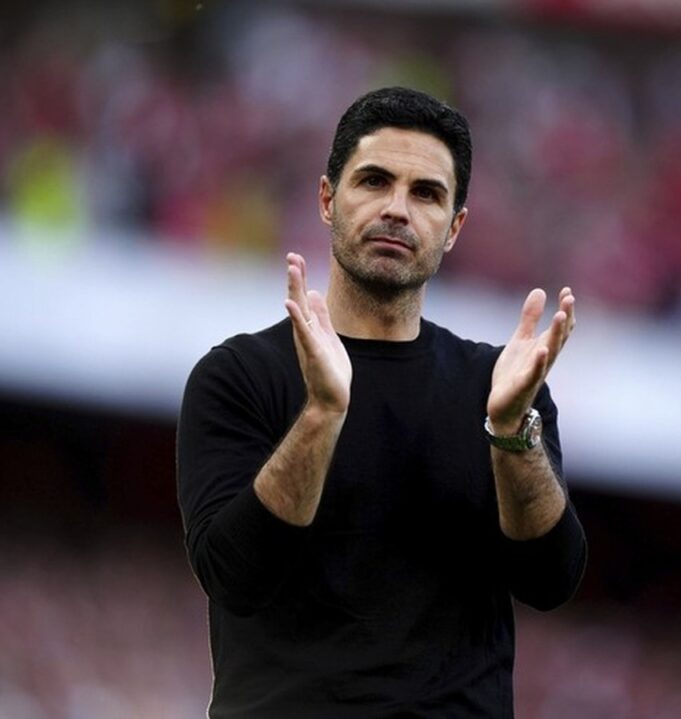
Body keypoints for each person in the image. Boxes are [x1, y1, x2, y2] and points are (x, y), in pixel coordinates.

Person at [177, 86, 587, 718]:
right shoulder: (239, 375)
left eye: (426, 194)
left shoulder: (498, 387)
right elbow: (235, 578)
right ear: (327, 200)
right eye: (374, 181)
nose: (397, 209)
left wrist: (510, 430)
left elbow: (550, 579)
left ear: (454, 229)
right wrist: (321, 414)